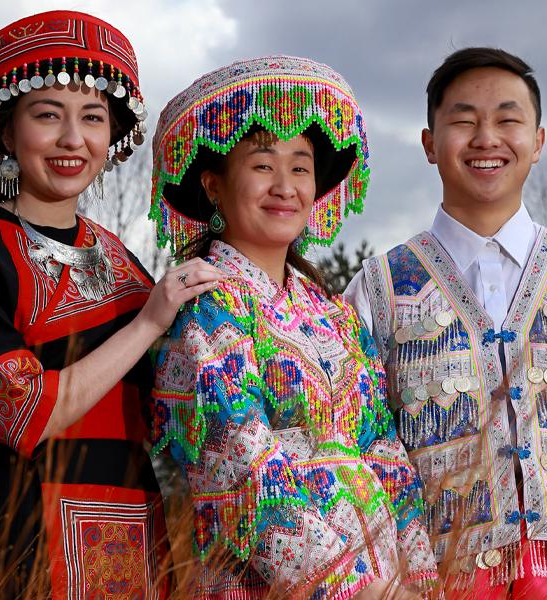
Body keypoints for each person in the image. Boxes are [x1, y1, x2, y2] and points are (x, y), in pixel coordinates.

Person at [0, 10, 224, 598]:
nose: (72, 140)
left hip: (131, 538)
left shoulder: (124, 262)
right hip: (9, 540)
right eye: (47, 114)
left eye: (92, 117)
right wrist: (151, 322)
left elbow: (176, 412)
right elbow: (24, 415)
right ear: (7, 131)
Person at [344, 47, 547, 598]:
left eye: (508, 120)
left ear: (538, 141)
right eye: (464, 121)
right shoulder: (379, 287)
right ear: (430, 144)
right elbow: (359, 444)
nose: (487, 138)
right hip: (436, 574)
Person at [148, 55, 438, 599]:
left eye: (300, 167)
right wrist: (356, 589)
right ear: (213, 185)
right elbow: (242, 467)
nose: (286, 186)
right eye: (262, 165)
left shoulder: (338, 316)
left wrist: (415, 578)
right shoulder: (208, 311)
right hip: (276, 583)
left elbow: (382, 447)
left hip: (387, 573)